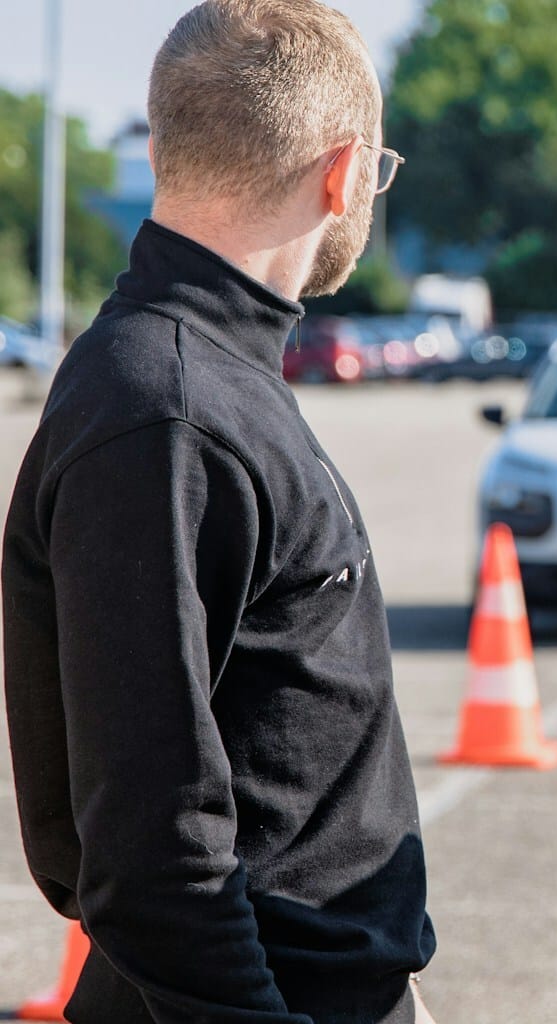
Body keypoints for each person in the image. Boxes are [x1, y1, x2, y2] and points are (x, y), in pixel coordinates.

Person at [2, 2, 436, 1021]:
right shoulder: (168, 411)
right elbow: (151, 853)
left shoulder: (204, 378)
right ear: (341, 174)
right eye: (375, 175)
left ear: (161, 151)